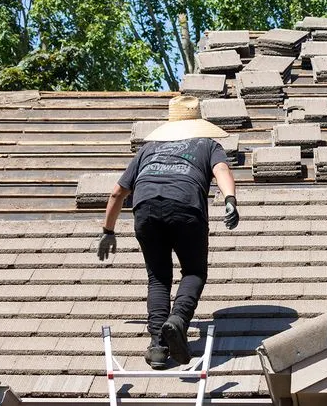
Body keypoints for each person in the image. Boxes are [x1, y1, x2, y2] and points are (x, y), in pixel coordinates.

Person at [98, 95, 239, 369]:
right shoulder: (208, 144)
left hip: (145, 208)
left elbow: (117, 192)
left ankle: (158, 347)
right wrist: (230, 198)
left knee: (159, 278)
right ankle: (178, 321)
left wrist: (108, 231)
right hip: (185, 207)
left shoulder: (148, 149)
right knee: (194, 272)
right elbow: (221, 169)